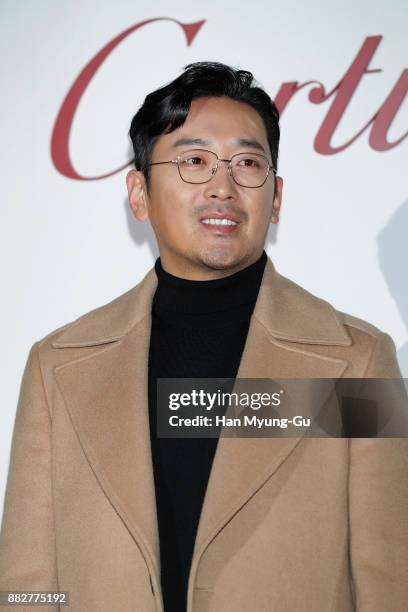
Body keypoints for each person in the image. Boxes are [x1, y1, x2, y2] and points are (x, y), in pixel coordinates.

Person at [0, 61, 407, 612]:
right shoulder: (59, 366)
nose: (223, 185)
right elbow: (25, 588)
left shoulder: (356, 362)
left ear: (277, 195)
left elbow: (391, 582)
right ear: (139, 193)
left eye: (247, 163)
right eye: (194, 161)